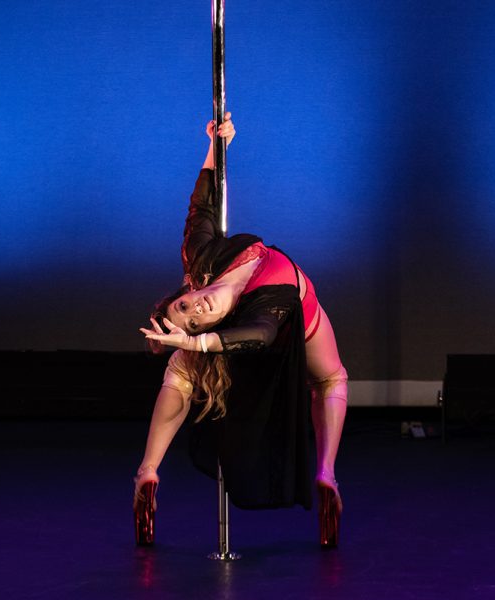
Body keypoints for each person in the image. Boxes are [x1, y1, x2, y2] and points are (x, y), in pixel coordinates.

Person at [134, 113, 348, 548]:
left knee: (183, 367)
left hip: (249, 333)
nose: (197, 309)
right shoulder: (260, 304)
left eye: (183, 307)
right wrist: (193, 342)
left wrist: (217, 144)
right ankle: (148, 470)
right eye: (193, 320)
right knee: (329, 378)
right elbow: (265, 335)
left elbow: (203, 205)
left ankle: (325, 475)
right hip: (283, 325)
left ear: (182, 291)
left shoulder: (200, 259)